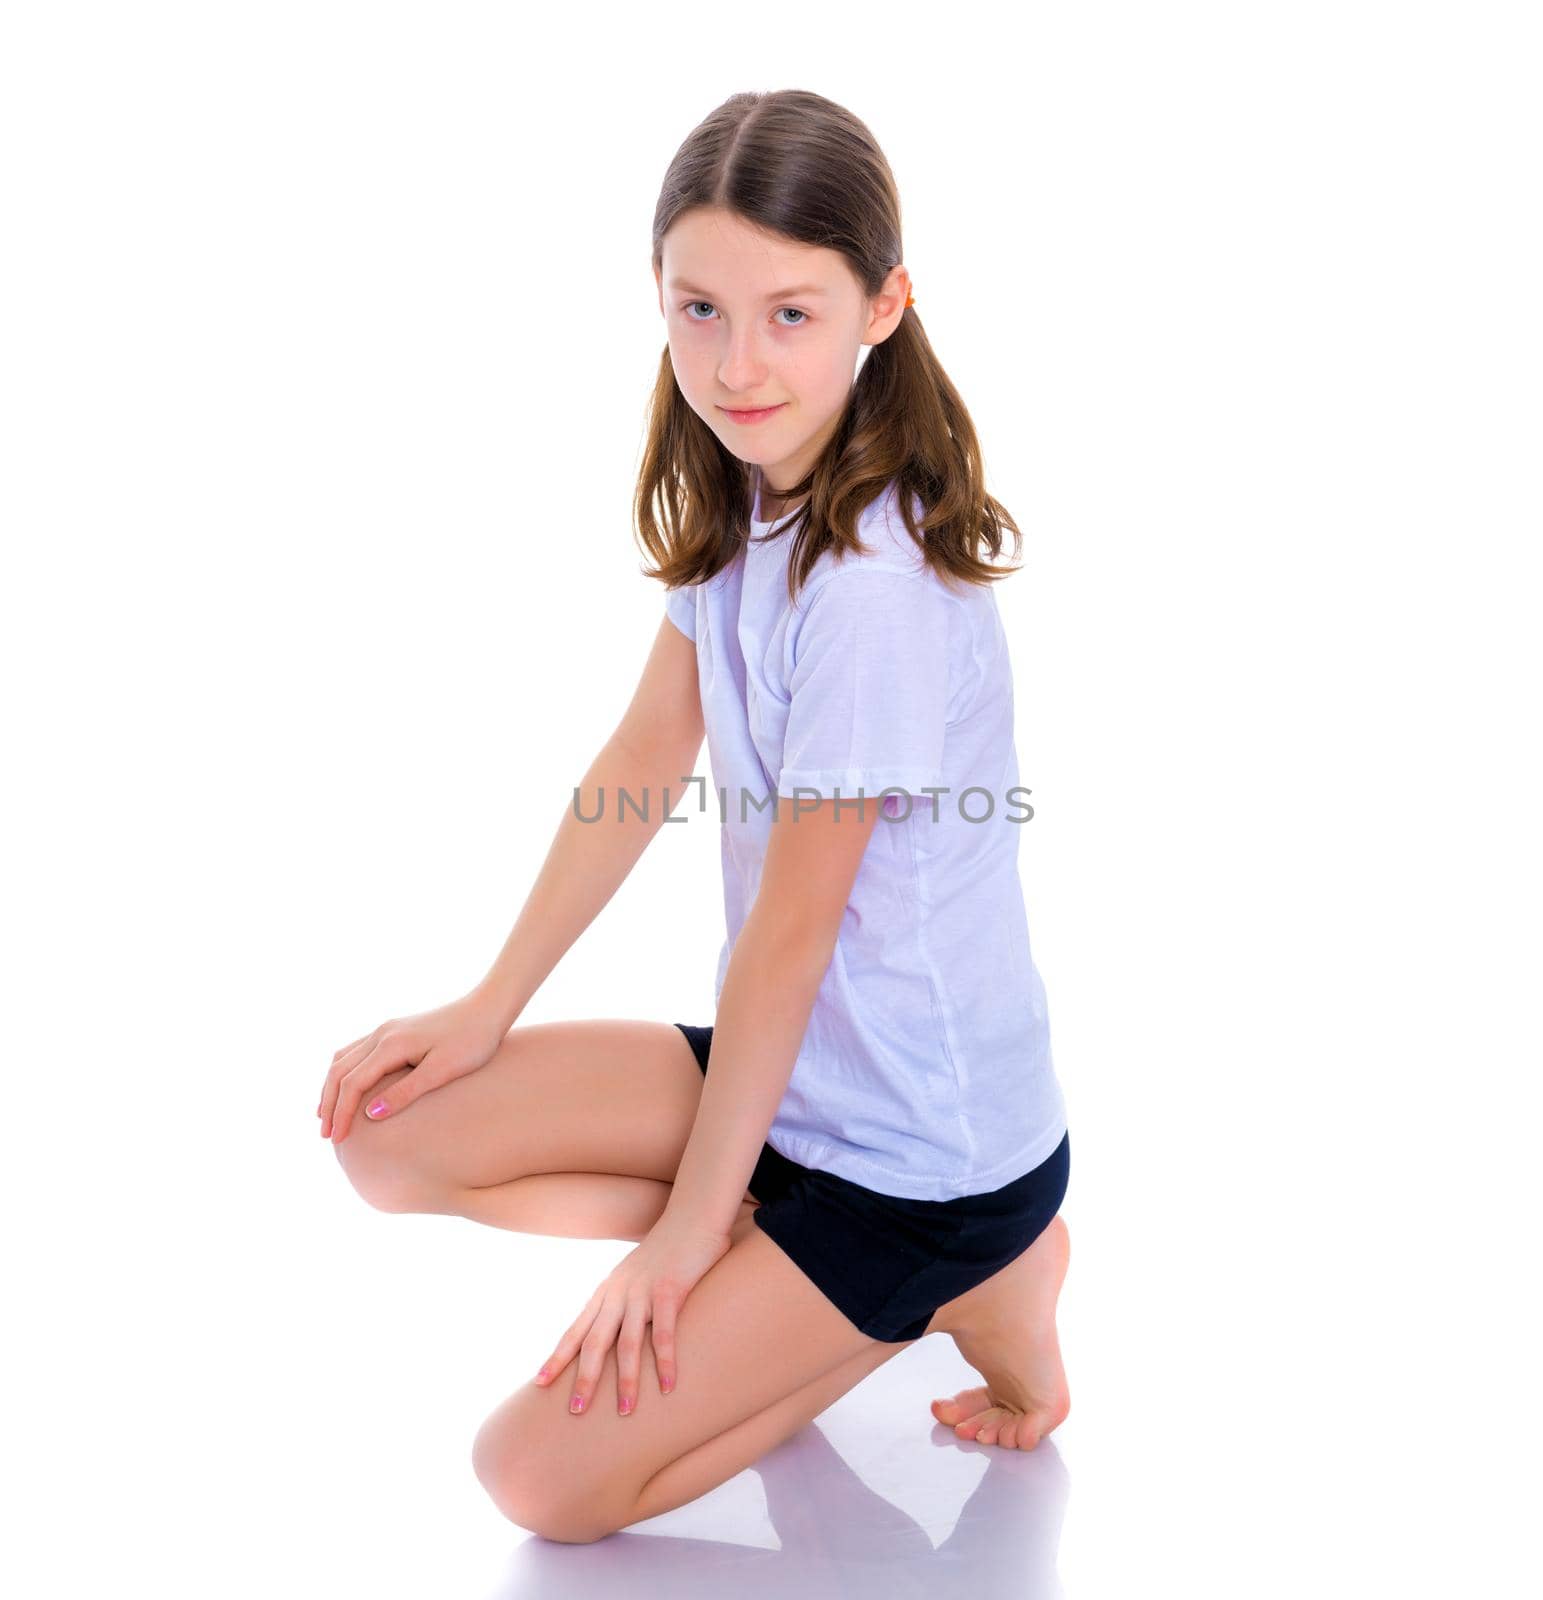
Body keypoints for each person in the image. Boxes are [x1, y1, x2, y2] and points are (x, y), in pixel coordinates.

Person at [317, 88, 1072, 1544]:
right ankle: (785, 1251)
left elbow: (788, 944)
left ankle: (977, 1273)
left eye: (792, 314)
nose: (738, 364)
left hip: (921, 1161)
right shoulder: (747, 498)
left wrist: (676, 1247)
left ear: (883, 304)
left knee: (537, 1480)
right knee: (389, 1133)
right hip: (802, 1092)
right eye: (699, 308)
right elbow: (638, 764)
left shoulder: (875, 591)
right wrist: (488, 1005)